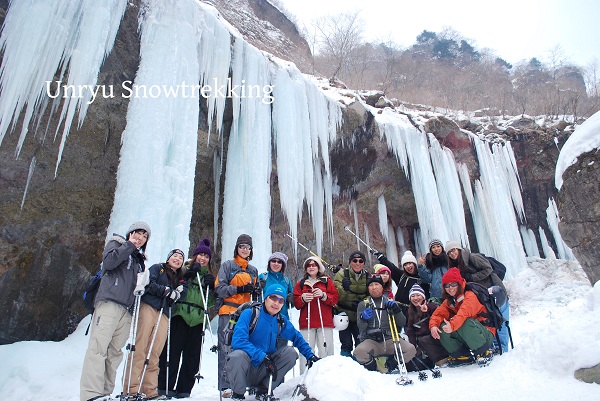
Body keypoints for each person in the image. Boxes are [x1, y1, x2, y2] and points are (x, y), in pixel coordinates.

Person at [80, 221, 150, 401]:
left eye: (145, 237)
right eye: (139, 233)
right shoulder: (116, 243)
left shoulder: (139, 260)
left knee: (114, 353)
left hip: (126, 310)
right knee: (98, 348)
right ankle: (91, 394)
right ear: (130, 232)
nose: (141, 238)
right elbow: (109, 263)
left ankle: (105, 393)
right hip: (109, 303)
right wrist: (128, 245)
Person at [226, 284, 320, 401]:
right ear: (265, 298)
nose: (276, 303)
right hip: (246, 369)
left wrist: (310, 355)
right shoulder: (250, 314)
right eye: (273, 298)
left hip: (265, 370)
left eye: (281, 300)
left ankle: (264, 390)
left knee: (290, 353)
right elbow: (238, 341)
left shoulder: (280, 320)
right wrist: (261, 356)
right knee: (237, 356)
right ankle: (238, 395)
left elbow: (296, 337)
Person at [123, 249, 187, 400]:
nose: (177, 259)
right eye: (175, 256)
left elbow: (182, 294)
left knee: (155, 352)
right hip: (149, 307)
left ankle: (150, 389)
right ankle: (130, 389)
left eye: (180, 258)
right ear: (168, 258)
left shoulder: (179, 278)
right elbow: (148, 284)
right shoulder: (158, 268)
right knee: (140, 347)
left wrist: (178, 293)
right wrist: (165, 290)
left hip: (164, 313)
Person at [157, 238, 216, 398]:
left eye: (206, 256)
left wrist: (212, 289)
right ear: (195, 256)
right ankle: (165, 386)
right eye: (200, 255)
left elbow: (210, 303)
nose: (203, 258)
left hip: (198, 321)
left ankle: (184, 389)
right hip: (180, 316)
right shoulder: (183, 270)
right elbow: (175, 287)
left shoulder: (208, 277)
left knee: (192, 357)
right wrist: (188, 276)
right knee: (172, 353)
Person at [215, 234, 260, 398]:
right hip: (229, 311)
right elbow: (219, 289)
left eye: (247, 247)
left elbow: (255, 296)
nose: (244, 249)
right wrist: (238, 289)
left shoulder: (253, 270)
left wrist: (256, 292)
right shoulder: (227, 266)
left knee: (244, 348)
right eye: (242, 246)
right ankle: (225, 386)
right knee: (226, 347)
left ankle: (241, 384)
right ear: (237, 248)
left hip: (246, 314)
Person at [445, 240, 510, 352]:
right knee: (491, 319)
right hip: (484, 296)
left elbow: (488, 268)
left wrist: (472, 278)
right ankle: (495, 345)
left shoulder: (472, 257)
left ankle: (503, 347)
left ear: (459, 249)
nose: (452, 253)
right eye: (449, 252)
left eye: (453, 250)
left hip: (495, 291)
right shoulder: (456, 266)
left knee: (500, 318)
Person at [429, 267, 495, 366]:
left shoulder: (470, 296)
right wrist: (433, 326)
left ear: (459, 284)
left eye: (453, 284)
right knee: (442, 327)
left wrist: (452, 325)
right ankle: (462, 355)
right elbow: (438, 314)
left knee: (465, 323)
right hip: (468, 334)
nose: (450, 288)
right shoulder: (450, 301)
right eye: (447, 285)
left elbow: (463, 313)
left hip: (485, 334)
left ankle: (484, 351)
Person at [353, 275, 416, 372]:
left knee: (411, 349)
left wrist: (397, 310)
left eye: (377, 284)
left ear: (382, 287)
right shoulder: (364, 304)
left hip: (390, 340)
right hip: (371, 341)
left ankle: (392, 363)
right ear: (368, 288)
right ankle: (375, 368)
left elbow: (402, 322)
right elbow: (361, 328)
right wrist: (363, 318)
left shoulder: (389, 302)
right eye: (371, 285)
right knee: (358, 352)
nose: (374, 287)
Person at [293, 256, 339, 372]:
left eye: (314, 265)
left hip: (324, 322)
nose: (311, 267)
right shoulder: (301, 284)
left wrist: (324, 296)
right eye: (308, 265)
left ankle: (327, 375)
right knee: (306, 351)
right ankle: (305, 376)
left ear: (319, 267)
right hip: (307, 322)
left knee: (326, 351)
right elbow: (296, 303)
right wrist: (302, 299)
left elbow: (334, 299)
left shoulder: (327, 282)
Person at [333, 250, 370, 357]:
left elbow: (371, 295)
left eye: (360, 261)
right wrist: (344, 289)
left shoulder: (368, 276)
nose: (357, 263)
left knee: (361, 342)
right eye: (354, 260)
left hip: (359, 315)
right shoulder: (341, 275)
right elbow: (336, 296)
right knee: (346, 343)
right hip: (344, 314)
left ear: (364, 263)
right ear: (350, 262)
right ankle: (346, 364)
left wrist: (363, 303)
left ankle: (361, 365)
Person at [375, 250, 430, 319]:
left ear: (414, 264)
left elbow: (427, 295)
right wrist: (381, 257)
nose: (408, 266)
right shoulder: (402, 276)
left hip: (413, 312)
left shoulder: (421, 278)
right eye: (405, 265)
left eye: (410, 263)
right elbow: (391, 267)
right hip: (398, 310)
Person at [405, 284, 448, 367]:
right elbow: (411, 331)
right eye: (413, 296)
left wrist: (427, 308)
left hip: (434, 338)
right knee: (411, 364)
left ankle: (442, 361)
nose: (416, 298)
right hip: (421, 344)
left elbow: (436, 311)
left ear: (423, 296)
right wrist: (412, 347)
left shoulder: (430, 305)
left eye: (418, 295)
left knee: (424, 340)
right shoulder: (411, 312)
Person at [258, 252, 294, 348]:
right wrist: (257, 287)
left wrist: (292, 300)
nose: (276, 264)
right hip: (265, 319)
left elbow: (290, 303)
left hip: (282, 320)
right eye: (273, 261)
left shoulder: (287, 281)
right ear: (269, 263)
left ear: (283, 265)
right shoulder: (263, 277)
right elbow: (256, 297)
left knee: (281, 351)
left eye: (279, 262)